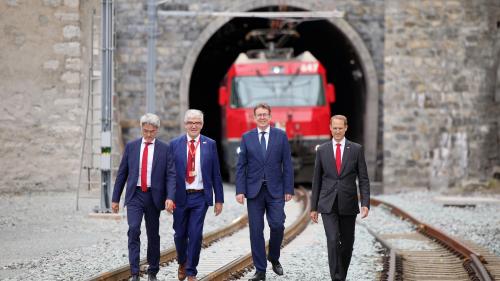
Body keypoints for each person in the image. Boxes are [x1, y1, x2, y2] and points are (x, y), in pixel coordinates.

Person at [111, 113, 176, 281]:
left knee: (153, 234)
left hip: (154, 197)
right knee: (133, 230)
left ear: (157, 130)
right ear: (141, 129)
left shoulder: (164, 148)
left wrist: (170, 197)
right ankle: (134, 273)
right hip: (135, 195)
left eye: (152, 131)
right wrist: (115, 198)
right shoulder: (131, 147)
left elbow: (170, 175)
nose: (148, 135)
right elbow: (122, 173)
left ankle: (152, 271)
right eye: (145, 131)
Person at [235, 103, 294, 281]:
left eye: (265, 114)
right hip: (254, 192)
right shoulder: (246, 138)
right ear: (254, 118)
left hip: (276, 190)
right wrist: (240, 190)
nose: (262, 117)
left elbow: (288, 164)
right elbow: (241, 166)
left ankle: (274, 257)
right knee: (256, 230)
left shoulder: (280, 136)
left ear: (270, 117)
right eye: (259, 115)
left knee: (277, 225)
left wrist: (288, 188)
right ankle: (260, 271)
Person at [310, 115, 370, 281]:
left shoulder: (356, 149)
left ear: (346, 128)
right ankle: (336, 278)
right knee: (333, 239)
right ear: (330, 128)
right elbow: (317, 180)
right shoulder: (322, 150)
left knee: (347, 244)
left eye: (340, 128)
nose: (337, 131)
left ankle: (341, 275)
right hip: (327, 203)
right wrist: (313, 207)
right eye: (334, 128)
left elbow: (363, 178)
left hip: (348, 203)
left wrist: (365, 203)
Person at [169, 109, 224, 281]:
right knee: (179, 234)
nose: (194, 126)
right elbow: (169, 174)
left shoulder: (210, 144)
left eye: (197, 123)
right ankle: (182, 262)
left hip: (200, 197)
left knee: (195, 234)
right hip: (180, 197)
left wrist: (219, 199)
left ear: (202, 124)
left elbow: (216, 173)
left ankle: (191, 271)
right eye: (191, 122)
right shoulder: (174, 144)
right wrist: (168, 197)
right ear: (185, 124)